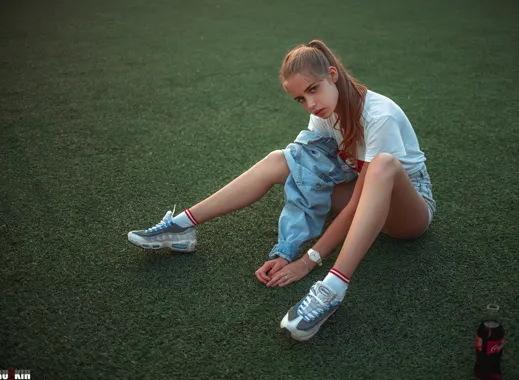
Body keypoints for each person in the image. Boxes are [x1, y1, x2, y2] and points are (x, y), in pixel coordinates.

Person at [127, 39, 436, 342]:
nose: (311, 104)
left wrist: (309, 260)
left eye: (313, 89)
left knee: (382, 164)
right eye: (301, 99)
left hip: (406, 212)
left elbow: (356, 203)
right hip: (361, 190)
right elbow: (307, 181)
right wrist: (288, 250)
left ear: (333, 75)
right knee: (283, 160)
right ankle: (183, 226)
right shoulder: (324, 114)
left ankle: (331, 290)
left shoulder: (378, 115)